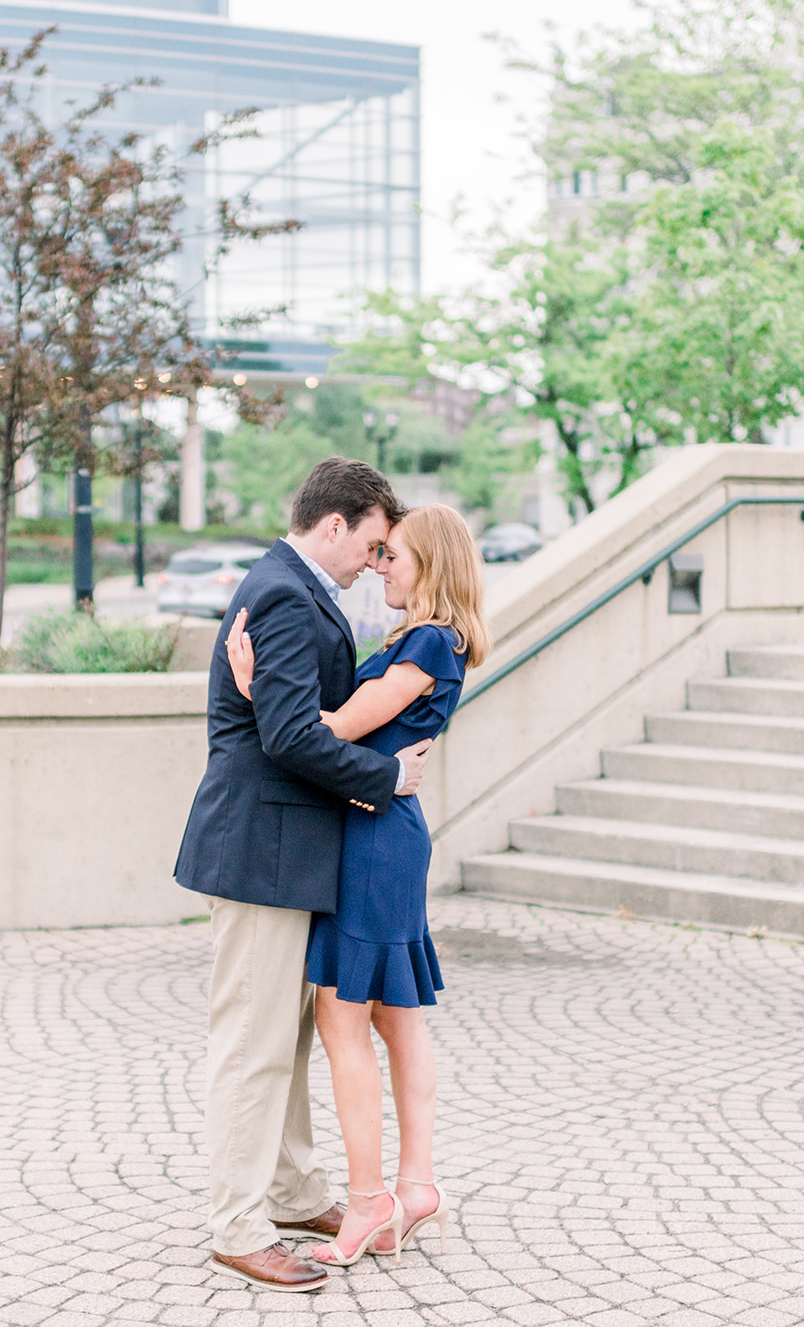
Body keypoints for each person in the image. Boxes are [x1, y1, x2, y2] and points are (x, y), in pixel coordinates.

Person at [172, 457, 434, 1294]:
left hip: (287, 852)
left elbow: (285, 720)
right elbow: (287, 736)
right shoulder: (285, 591)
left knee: (282, 1039)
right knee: (252, 1047)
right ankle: (239, 1225)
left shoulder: (291, 587)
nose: (374, 561)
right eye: (371, 543)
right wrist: (386, 779)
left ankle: (290, 1190)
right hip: (262, 852)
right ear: (336, 525)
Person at [224, 503, 490, 1272]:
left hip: (376, 843)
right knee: (396, 1020)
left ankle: (374, 1200)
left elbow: (334, 729)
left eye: (394, 555)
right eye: (377, 552)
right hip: (379, 836)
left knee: (344, 1022)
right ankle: (414, 1188)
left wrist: (256, 691)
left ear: (432, 564)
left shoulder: (431, 642)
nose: (380, 566)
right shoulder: (425, 640)